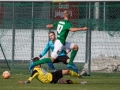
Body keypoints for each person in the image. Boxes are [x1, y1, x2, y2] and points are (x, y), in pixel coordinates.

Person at [19, 58, 87, 84]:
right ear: (34, 64)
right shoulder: (35, 71)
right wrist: (23, 82)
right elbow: (30, 79)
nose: (39, 63)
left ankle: (79, 75)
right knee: (68, 81)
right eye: (37, 62)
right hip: (52, 80)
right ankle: (80, 83)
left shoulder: (39, 68)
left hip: (53, 74)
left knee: (68, 71)